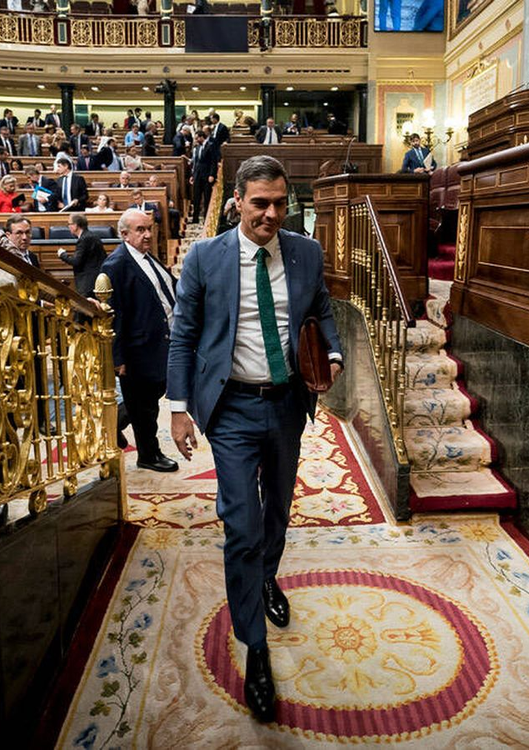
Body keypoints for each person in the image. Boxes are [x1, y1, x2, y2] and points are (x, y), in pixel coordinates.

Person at [167, 155, 343, 723]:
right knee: (240, 521)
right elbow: (184, 335)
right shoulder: (205, 257)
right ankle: (256, 649)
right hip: (232, 408)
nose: (270, 214)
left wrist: (332, 353)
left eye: (279, 203)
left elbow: (320, 310)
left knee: (277, 511)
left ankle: (268, 574)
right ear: (237, 202)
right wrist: (177, 408)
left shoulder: (305, 251)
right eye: (260, 203)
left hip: (289, 403)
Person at [102, 209, 179, 473]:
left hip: (159, 342)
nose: (148, 234)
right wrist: (117, 357)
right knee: (145, 407)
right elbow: (115, 312)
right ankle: (148, 454)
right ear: (124, 234)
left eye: (149, 228)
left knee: (149, 397)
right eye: (140, 230)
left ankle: (115, 422)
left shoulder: (148, 257)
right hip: (137, 349)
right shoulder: (116, 264)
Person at [58, 212, 106, 300]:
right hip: (97, 280)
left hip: (87, 283)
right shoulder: (93, 236)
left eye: (69, 224)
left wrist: (62, 254)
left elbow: (76, 261)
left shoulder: (84, 239)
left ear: (75, 225)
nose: (68, 227)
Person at [189, 129, 218, 224]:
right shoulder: (197, 148)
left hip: (206, 175)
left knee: (207, 197)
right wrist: (192, 175)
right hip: (197, 175)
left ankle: (206, 218)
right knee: (196, 197)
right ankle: (195, 218)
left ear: (202, 137)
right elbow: (196, 163)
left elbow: (214, 161)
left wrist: (212, 174)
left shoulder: (211, 146)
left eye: (197, 138)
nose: (196, 140)